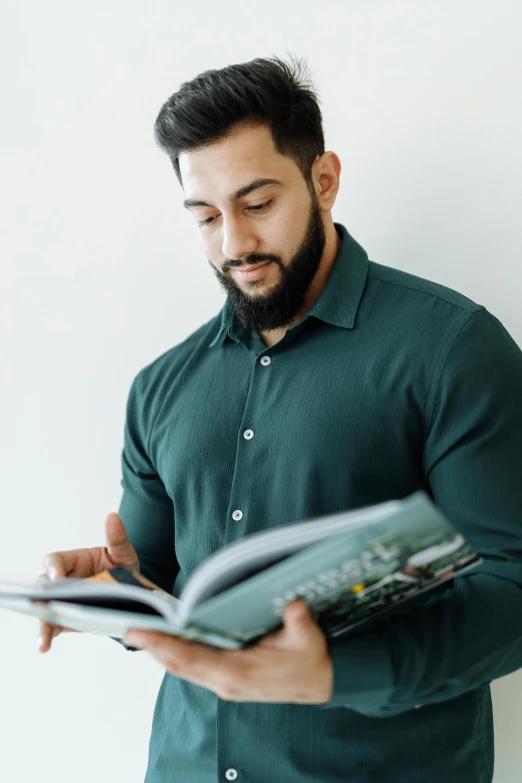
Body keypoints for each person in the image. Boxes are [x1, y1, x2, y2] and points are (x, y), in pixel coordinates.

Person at [37, 56, 522, 783]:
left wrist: (335, 671)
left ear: (323, 179)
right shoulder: (161, 386)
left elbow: (513, 591)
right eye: (205, 216)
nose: (232, 243)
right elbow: (164, 589)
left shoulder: (452, 349)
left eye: (257, 202)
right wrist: (117, 596)